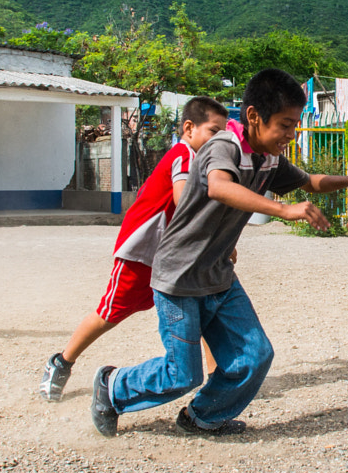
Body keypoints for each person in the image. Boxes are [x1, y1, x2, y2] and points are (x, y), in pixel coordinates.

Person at [89, 70, 348, 436]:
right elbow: (220, 187)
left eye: (295, 125)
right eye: (285, 125)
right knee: (182, 373)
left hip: (218, 276)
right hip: (179, 277)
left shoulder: (268, 158)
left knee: (255, 356)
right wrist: (285, 210)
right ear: (253, 116)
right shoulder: (224, 146)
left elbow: (310, 182)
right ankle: (112, 387)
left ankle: (202, 417)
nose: (291, 134)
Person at [39, 96, 229, 401]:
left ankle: (213, 378)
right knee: (110, 313)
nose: (219, 140)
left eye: (224, 134)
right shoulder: (184, 155)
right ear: (189, 128)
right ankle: (61, 362)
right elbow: (184, 202)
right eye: (213, 132)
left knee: (200, 305)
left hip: (175, 256)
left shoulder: (202, 160)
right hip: (142, 251)